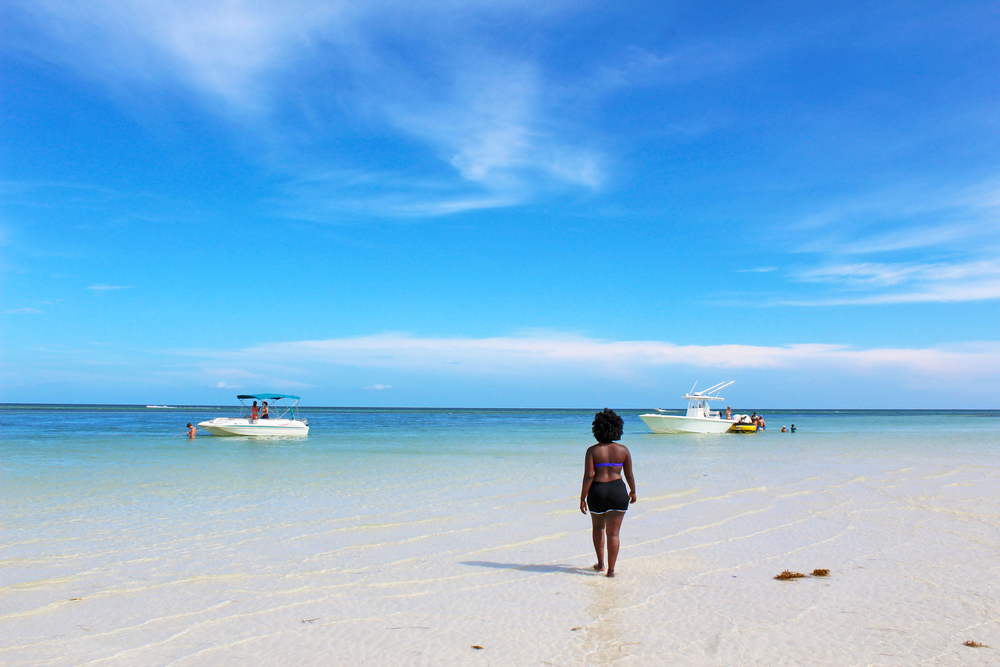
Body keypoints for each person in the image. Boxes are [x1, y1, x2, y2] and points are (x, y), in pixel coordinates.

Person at [580, 408, 636, 578]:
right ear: (617, 428)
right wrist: (633, 490)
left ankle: (600, 564)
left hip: (598, 491)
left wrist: (582, 497)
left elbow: (589, 476)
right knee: (614, 533)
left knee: (598, 528)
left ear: (596, 429)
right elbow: (629, 475)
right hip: (618, 491)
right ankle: (611, 570)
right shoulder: (623, 450)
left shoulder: (592, 451)